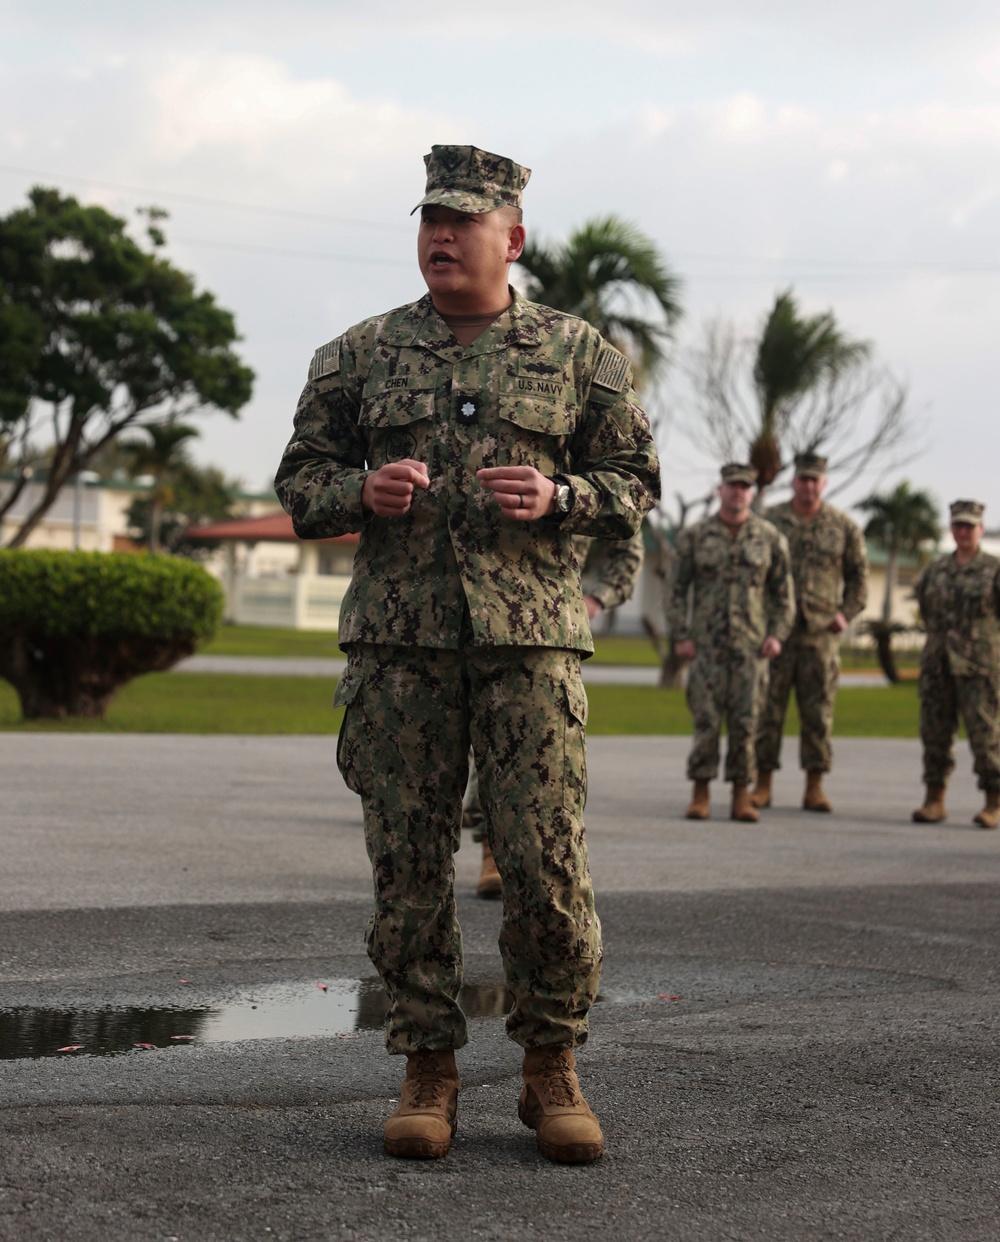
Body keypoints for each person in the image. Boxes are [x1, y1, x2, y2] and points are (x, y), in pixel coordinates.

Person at [274, 144, 660, 1164]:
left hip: (528, 648)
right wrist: (357, 492)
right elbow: (301, 481)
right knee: (405, 867)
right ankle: (426, 1068)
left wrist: (562, 498)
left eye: (463, 221)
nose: (440, 236)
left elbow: (634, 487)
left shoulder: (580, 355)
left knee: (543, 866)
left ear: (512, 237)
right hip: (400, 649)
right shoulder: (357, 356)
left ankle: (550, 1068)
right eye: (428, 220)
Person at [469, 529, 645, 898]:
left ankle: (536, 865)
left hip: (546, 627)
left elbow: (628, 544)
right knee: (474, 745)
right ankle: (490, 851)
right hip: (467, 619)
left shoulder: (573, 475)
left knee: (542, 755)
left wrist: (598, 597)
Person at [666, 463, 795, 822]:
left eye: (744, 487)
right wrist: (681, 634)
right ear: (720, 490)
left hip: (751, 647)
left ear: (752, 494)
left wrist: (776, 635)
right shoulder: (695, 536)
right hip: (706, 646)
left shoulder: (769, 538)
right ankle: (700, 793)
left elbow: (784, 593)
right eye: (732, 486)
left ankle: (742, 795)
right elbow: (675, 589)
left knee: (746, 722)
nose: (738, 492)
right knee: (706, 720)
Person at [751, 453, 868, 813]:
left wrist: (845, 615)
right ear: (794, 481)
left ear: (825, 483)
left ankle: (814, 786)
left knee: (819, 713)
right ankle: (763, 783)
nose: (809, 485)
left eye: (815, 480)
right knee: (768, 710)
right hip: (777, 633)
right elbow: (755, 573)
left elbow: (859, 579)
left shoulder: (842, 526)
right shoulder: (770, 521)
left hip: (820, 634)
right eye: (803, 479)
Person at [912, 500, 1000, 829]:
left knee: (985, 735)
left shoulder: (993, 569)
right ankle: (934, 799)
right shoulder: (935, 570)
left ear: (980, 528)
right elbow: (925, 608)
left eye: (969, 525)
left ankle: (993, 801)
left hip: (978, 667)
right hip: (938, 665)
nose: (963, 531)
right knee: (935, 733)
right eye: (958, 525)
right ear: (951, 528)